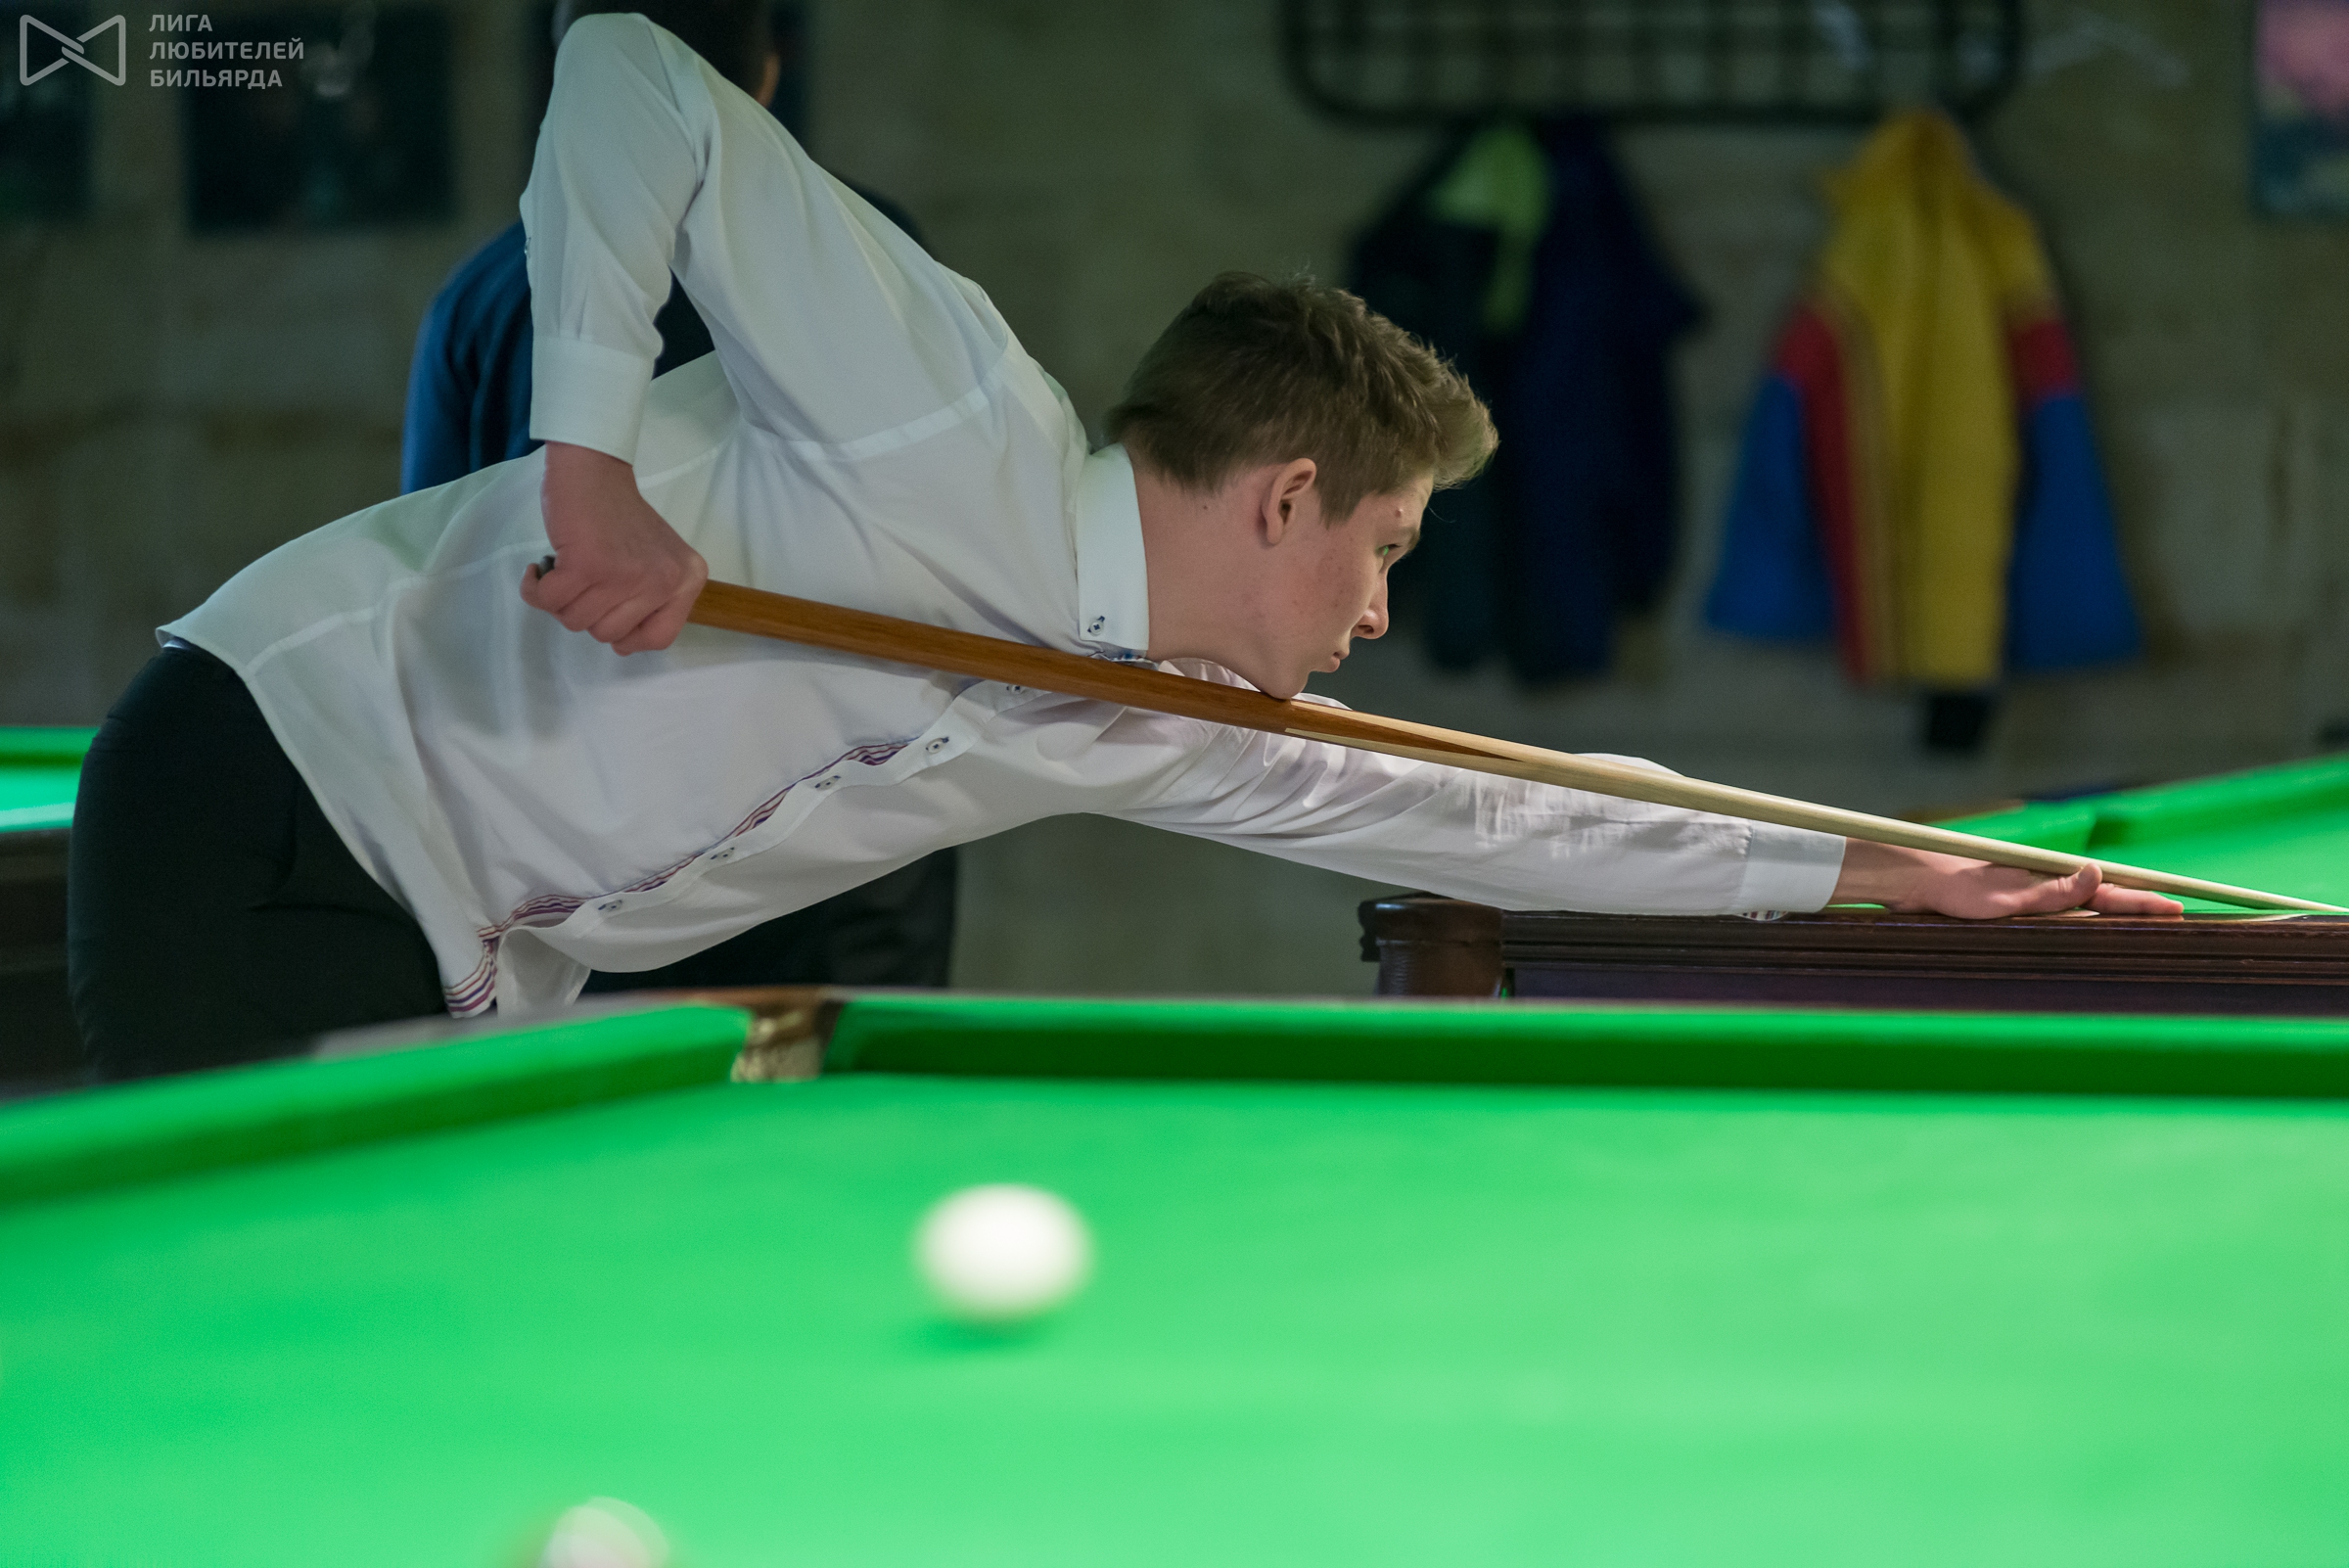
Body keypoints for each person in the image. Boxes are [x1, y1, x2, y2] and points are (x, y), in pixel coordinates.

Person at [66, 14, 2179, 1080]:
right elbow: (633, 77)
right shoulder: (949, 406)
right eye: (1383, 549)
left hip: (458, 937)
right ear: (1283, 496)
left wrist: (1881, 867)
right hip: (267, 780)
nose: (1378, 612)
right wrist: (586, 469)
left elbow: (1500, 807)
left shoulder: (1159, 717)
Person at [396, 0, 956, 1004]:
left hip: (593, 857)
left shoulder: (478, 296)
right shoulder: (877, 247)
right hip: (834, 836)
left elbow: (435, 595)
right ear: (769, 75)